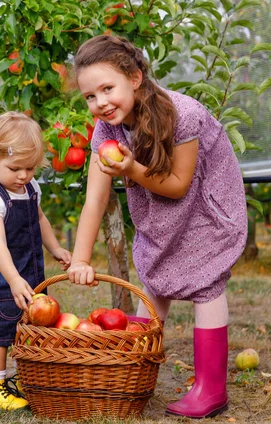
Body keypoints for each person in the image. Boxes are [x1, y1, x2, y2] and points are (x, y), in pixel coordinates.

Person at [67, 34, 248, 419]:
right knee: (155, 275)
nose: (100, 103)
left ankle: (211, 388)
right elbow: (95, 199)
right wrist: (80, 260)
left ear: (134, 77)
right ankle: (135, 370)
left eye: (107, 88)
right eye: (90, 96)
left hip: (207, 209)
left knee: (206, 284)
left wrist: (131, 168)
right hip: (162, 215)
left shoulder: (181, 114)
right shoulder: (107, 131)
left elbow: (180, 184)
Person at [0, 111, 72, 411]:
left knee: (30, 328)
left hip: (28, 273)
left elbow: (41, 219)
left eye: (30, 168)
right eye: (15, 168)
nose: (23, 175)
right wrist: (11, 279)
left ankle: (27, 378)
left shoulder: (30, 189)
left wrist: (56, 249)